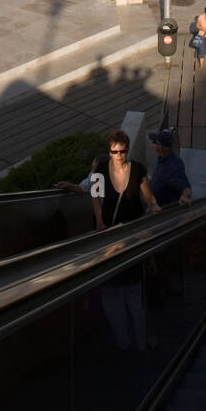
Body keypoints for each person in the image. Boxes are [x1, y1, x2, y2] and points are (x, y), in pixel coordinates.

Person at [56, 129, 159, 352]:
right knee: (123, 297)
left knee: (122, 297)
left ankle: (132, 343)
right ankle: (132, 343)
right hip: (117, 243)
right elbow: (96, 196)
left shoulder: (126, 173)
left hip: (120, 244)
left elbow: (149, 201)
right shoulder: (105, 174)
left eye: (121, 151)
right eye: (115, 151)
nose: (119, 155)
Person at [148, 129, 193, 207]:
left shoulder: (173, 166)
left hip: (162, 209)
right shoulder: (162, 157)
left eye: (155, 142)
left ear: (160, 146)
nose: (153, 144)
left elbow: (186, 188)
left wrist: (185, 196)